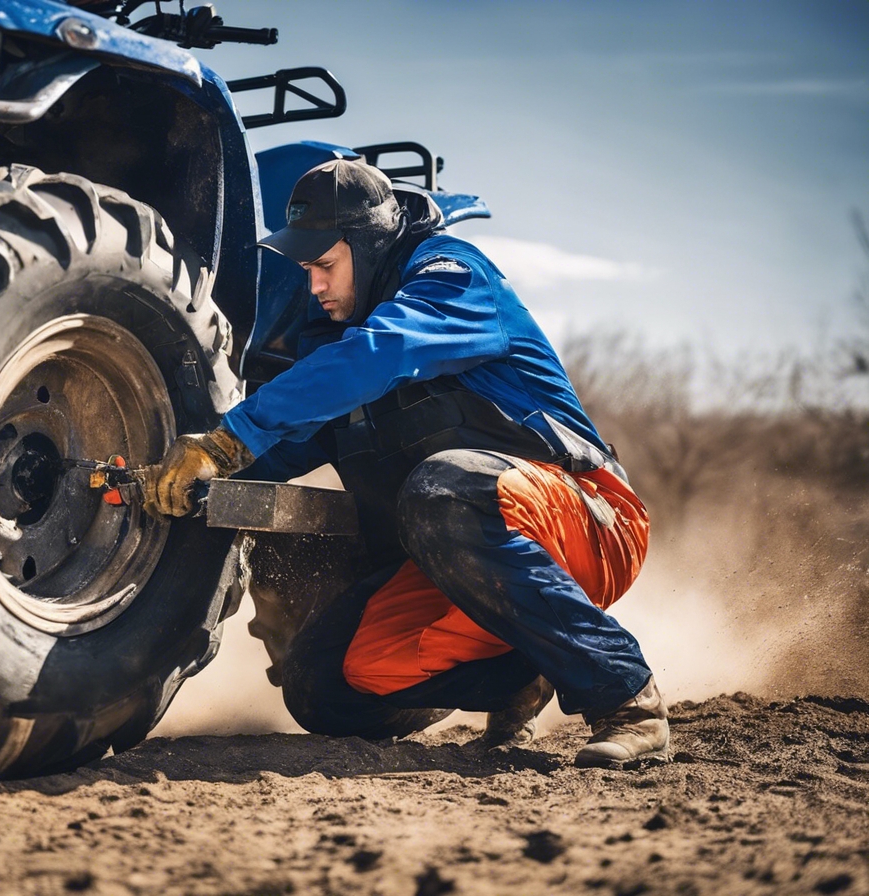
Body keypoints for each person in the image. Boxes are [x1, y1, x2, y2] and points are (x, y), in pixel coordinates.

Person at [143, 159, 669, 768]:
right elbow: (289, 447)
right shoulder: (343, 335)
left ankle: (627, 697)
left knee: (439, 490)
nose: (313, 286)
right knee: (324, 688)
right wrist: (204, 477)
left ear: (366, 246)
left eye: (324, 265)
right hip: (463, 549)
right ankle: (521, 674)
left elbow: (380, 352)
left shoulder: (450, 276)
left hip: (586, 518)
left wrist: (228, 438)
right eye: (306, 269)